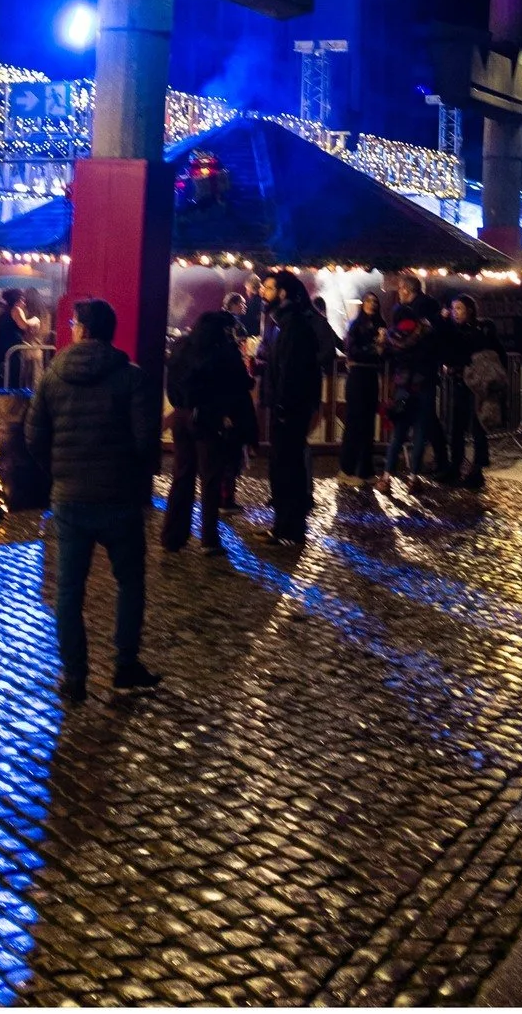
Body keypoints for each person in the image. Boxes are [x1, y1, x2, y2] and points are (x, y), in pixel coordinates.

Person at [25, 297, 163, 701]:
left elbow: (34, 437)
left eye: (72, 322)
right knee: (130, 582)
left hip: (70, 498)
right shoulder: (131, 378)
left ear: (82, 329)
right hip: (118, 497)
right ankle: (124, 664)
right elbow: (145, 442)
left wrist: (58, 471)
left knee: (68, 590)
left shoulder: (52, 377)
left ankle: (74, 676)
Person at [160, 308, 252, 555]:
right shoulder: (223, 351)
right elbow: (242, 383)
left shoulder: (182, 347)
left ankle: (172, 536)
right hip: (208, 418)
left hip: (181, 415)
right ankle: (209, 539)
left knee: (182, 474)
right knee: (210, 477)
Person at [256, 270, 339, 544]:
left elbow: (292, 369)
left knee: (288, 466)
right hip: (286, 405)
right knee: (281, 465)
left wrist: (282, 404)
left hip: (289, 408)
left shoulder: (294, 325)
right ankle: (282, 525)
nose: (262, 293)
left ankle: (290, 529)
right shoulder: (283, 322)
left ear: (282, 293)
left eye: (268, 288)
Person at [380, 269, 448, 487]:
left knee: (400, 431)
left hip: (405, 382)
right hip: (425, 380)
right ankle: (413, 476)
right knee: (421, 428)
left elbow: (394, 349)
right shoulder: (430, 322)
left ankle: (386, 476)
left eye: (400, 288)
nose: (398, 292)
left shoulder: (398, 333)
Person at [440, 293, 501, 489]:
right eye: (454, 308)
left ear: (469, 310)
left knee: (477, 428)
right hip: (460, 383)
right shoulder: (452, 330)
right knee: (456, 426)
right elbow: (449, 351)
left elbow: (489, 352)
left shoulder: (481, 330)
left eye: (459, 308)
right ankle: (455, 464)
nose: (455, 313)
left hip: (477, 385)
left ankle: (477, 469)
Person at [339, 290, 386, 486]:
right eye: (368, 301)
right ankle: (346, 469)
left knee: (368, 425)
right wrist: (374, 348)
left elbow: (385, 355)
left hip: (371, 376)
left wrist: (384, 346)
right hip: (358, 376)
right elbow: (352, 351)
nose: (372, 304)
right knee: (354, 423)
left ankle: (365, 470)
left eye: (375, 301)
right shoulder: (356, 326)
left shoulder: (381, 326)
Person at [0, 286, 43, 388]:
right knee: (14, 381)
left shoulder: (3, 313)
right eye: (23, 300)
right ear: (17, 300)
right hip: (13, 352)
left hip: (1, 350)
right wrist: (35, 320)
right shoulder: (16, 310)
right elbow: (24, 324)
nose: (25, 303)